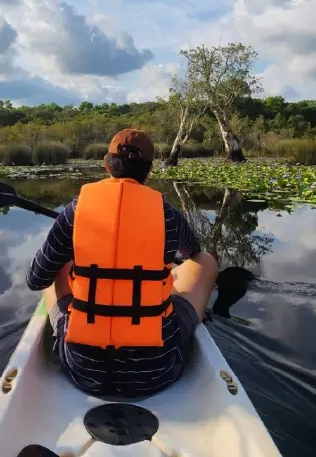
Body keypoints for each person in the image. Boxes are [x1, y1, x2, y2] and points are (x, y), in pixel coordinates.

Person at [25, 128, 219, 397]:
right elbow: (193, 253)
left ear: (107, 165)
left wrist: (70, 248)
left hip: (83, 370)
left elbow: (35, 280)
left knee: (57, 264)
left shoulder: (75, 210)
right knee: (206, 260)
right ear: (149, 171)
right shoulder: (169, 216)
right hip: (155, 372)